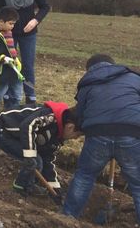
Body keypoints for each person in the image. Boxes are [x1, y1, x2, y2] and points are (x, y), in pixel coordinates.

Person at [63, 54, 140, 223]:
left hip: (98, 134)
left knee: (84, 176)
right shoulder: (133, 77)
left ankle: (67, 219)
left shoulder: (87, 84)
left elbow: (80, 116)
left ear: (89, 69)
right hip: (131, 132)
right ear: (113, 65)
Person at [0, 102, 82, 203]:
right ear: (70, 127)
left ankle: (31, 183)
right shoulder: (49, 117)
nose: (75, 139)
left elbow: (48, 159)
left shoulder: (57, 136)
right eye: (76, 135)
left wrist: (54, 188)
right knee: (36, 161)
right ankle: (20, 187)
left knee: (39, 161)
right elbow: (28, 126)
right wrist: (30, 156)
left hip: (16, 136)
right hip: (1, 129)